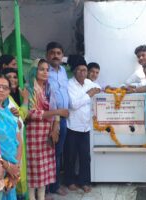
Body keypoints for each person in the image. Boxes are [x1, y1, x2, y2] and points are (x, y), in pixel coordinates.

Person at [26, 59, 69, 200]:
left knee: (44, 169)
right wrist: (57, 113)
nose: (45, 72)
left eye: (47, 69)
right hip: (33, 134)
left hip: (48, 132)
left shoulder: (49, 88)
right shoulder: (29, 89)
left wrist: (56, 127)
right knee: (33, 170)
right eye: (41, 69)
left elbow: (55, 109)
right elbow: (30, 113)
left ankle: (42, 196)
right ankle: (32, 197)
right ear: (34, 71)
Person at [64, 56, 100, 193]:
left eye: (84, 70)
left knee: (85, 157)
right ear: (74, 71)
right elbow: (73, 104)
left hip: (86, 127)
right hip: (72, 126)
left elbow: (99, 89)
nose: (82, 73)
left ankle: (84, 182)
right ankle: (70, 181)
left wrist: (100, 89)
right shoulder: (69, 84)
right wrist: (89, 95)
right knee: (70, 156)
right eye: (79, 70)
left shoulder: (89, 83)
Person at [46, 41, 70, 196]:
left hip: (63, 119)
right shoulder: (43, 71)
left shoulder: (63, 71)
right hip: (49, 119)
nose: (56, 55)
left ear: (62, 56)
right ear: (47, 55)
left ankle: (54, 185)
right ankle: (48, 188)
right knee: (48, 153)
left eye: (58, 53)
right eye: (53, 53)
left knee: (58, 152)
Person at [1, 68, 29, 199]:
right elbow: (21, 117)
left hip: (20, 141)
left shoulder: (13, 96)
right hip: (9, 146)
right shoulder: (6, 99)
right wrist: (25, 101)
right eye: (9, 77)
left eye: (15, 76)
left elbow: (21, 117)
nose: (13, 79)